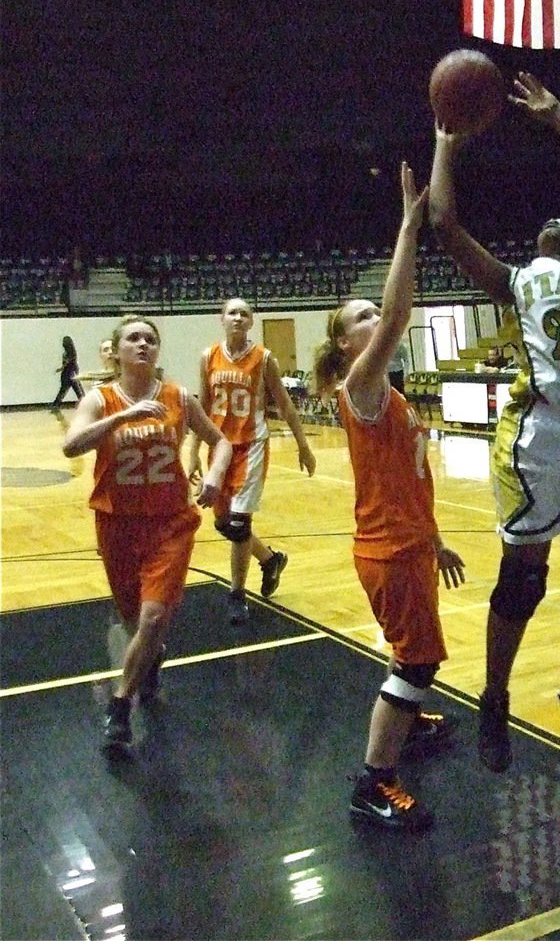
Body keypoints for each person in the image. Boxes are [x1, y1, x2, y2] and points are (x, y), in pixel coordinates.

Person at [430, 71, 560, 770]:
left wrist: (557, 114)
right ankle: (493, 695)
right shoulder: (516, 280)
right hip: (541, 436)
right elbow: (445, 224)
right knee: (524, 576)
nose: (559, 221)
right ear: (541, 247)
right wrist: (445, 144)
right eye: (549, 227)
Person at [312, 161, 466, 832]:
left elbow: (411, 478)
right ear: (348, 344)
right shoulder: (361, 388)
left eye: (373, 313)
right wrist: (408, 228)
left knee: (411, 652)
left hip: (406, 543)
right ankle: (374, 781)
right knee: (418, 659)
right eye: (363, 317)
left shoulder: (392, 396)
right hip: (386, 549)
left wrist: (436, 539)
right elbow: (401, 311)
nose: (376, 320)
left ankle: (411, 721)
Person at [62, 315, 233, 757]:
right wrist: (126, 417)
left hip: (169, 522)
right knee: (133, 620)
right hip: (117, 523)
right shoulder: (101, 399)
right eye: (133, 338)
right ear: (117, 351)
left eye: (150, 339)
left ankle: (120, 707)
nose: (142, 344)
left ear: (157, 350)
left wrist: (213, 475)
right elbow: (72, 445)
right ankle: (150, 659)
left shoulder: (177, 396)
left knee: (155, 617)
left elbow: (223, 442)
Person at [188, 297, 317, 624]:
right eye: (232, 312)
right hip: (219, 446)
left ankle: (236, 595)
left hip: (251, 445)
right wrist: (191, 452)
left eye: (244, 313)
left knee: (238, 523)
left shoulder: (264, 359)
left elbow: (285, 405)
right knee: (222, 524)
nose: (238, 318)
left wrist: (304, 445)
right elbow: (200, 408)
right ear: (222, 318)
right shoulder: (208, 357)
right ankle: (270, 559)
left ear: (251, 321)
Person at [51, 335, 85, 407]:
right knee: (77, 391)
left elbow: (66, 363)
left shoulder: (68, 354)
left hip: (68, 373)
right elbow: (70, 364)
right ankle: (85, 403)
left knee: (64, 391)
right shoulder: (72, 353)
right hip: (71, 373)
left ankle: (55, 405)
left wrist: (61, 368)